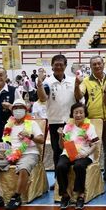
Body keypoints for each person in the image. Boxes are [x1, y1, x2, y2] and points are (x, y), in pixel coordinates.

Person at [0, 99, 45, 210]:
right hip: (11, 153)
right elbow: (6, 143)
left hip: (29, 153)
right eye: (15, 108)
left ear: (25, 110)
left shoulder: (32, 123)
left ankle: (16, 197)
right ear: (12, 111)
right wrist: (3, 152)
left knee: (24, 168)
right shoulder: (8, 125)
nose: (18, 110)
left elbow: (41, 140)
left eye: (20, 108)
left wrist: (30, 136)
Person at [75, 55, 106, 185]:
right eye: (94, 64)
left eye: (99, 63)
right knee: (93, 148)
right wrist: (76, 85)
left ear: (103, 64)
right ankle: (93, 173)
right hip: (92, 120)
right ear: (91, 66)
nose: (97, 66)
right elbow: (78, 96)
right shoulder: (86, 81)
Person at [37, 54, 76, 188]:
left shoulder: (72, 81)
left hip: (71, 122)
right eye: (56, 65)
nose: (58, 67)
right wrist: (39, 84)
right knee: (57, 151)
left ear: (65, 66)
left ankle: (71, 178)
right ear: (52, 66)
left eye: (61, 64)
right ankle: (59, 180)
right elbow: (42, 98)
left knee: (72, 150)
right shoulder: (47, 82)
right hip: (55, 122)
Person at [56, 103, 100, 210]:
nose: (78, 115)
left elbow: (95, 144)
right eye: (76, 112)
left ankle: (80, 195)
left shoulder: (90, 127)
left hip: (84, 153)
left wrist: (86, 153)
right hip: (68, 153)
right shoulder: (67, 127)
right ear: (72, 114)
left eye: (81, 112)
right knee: (60, 166)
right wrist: (60, 136)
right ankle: (65, 195)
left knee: (79, 166)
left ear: (85, 114)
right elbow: (61, 146)